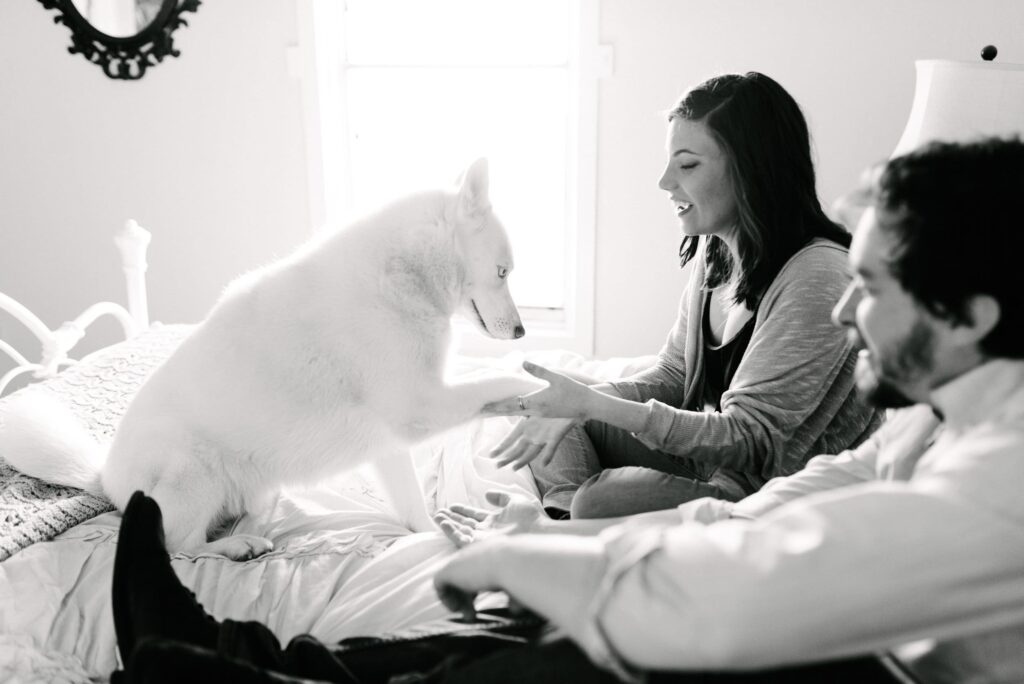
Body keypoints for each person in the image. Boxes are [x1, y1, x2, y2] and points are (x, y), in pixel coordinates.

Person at [109, 137, 1024, 683]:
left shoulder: (1003, 482)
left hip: (880, 672)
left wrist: (526, 553)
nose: (840, 311)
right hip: (817, 595)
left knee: (597, 651)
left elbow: (725, 606)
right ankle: (231, 658)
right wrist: (560, 540)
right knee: (551, 610)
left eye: (868, 287)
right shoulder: (939, 416)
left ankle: (223, 667)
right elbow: (773, 510)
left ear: (970, 314)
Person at [492, 72, 881, 520]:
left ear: (753, 169)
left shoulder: (817, 274)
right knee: (545, 399)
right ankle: (561, 519)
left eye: (687, 165)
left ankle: (572, 523)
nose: (664, 182)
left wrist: (594, 405)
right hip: (706, 463)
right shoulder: (717, 252)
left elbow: (753, 442)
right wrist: (577, 400)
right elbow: (673, 378)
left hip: (762, 492)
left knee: (600, 499)